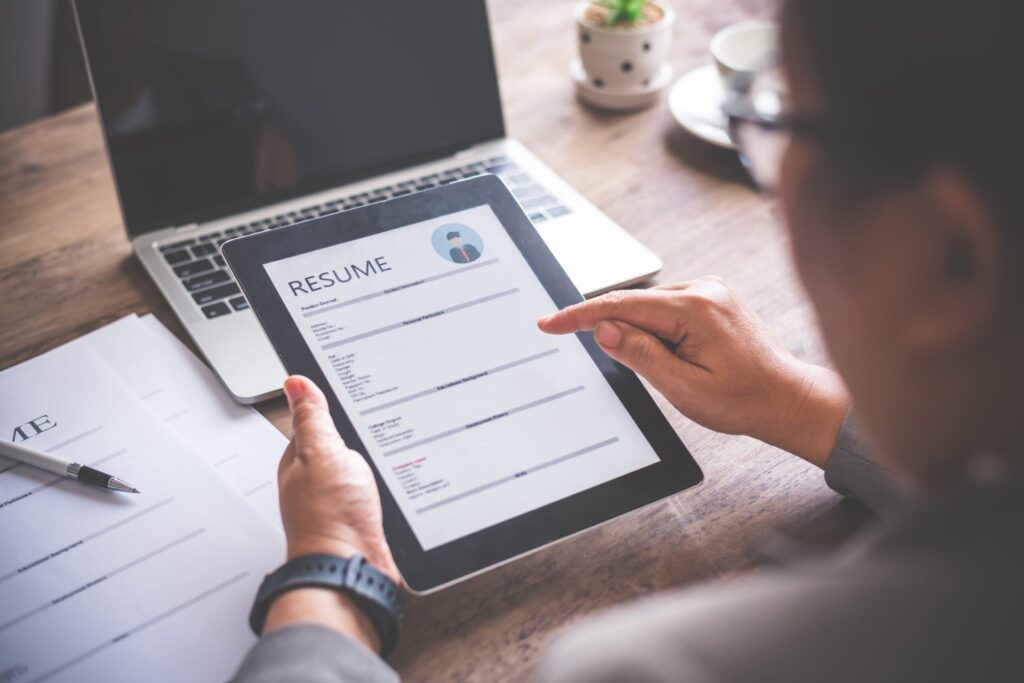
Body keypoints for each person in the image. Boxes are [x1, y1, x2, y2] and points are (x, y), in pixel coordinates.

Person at [231, 0, 1023, 680]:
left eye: (780, 126)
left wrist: (332, 576)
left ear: (950, 253)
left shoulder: (663, 668)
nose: (776, 193)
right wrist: (797, 403)